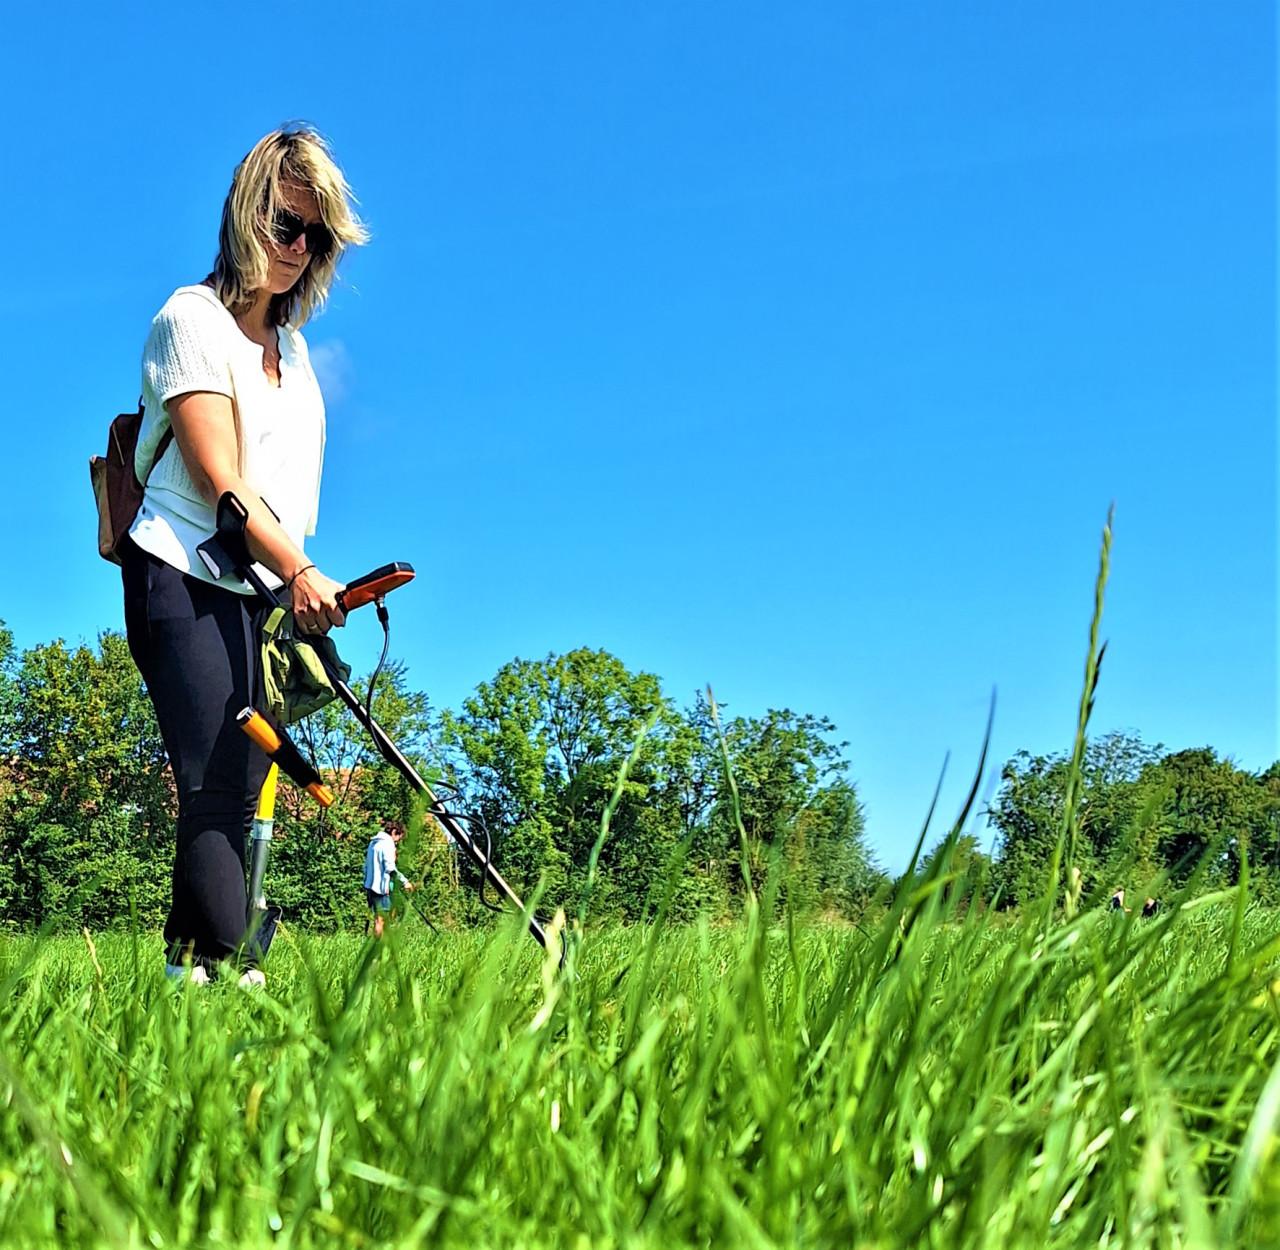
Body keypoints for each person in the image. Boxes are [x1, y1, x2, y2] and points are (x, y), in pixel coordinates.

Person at [121, 126, 368, 985]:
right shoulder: (189, 320)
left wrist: (298, 582)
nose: (295, 249)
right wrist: (297, 571)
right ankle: (235, 963)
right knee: (216, 771)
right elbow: (221, 480)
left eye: (315, 235)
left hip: (258, 588)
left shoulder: (294, 355)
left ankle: (187, 972)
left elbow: (285, 493)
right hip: (182, 573)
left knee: (247, 766)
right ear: (242, 212)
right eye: (282, 223)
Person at [364, 820, 414, 937]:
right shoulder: (387, 844)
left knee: (378, 919)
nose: (397, 842)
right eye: (398, 838)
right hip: (381, 889)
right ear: (394, 832)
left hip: (370, 886)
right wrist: (405, 882)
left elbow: (365, 866)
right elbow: (390, 868)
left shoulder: (373, 843)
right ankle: (376, 949)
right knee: (380, 921)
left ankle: (377, 944)